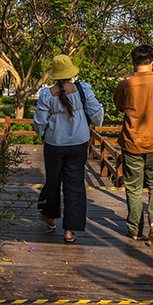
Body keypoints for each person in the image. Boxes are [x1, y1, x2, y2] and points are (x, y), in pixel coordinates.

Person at [32, 54, 105, 243]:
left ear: (55, 74)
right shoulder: (83, 89)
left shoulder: (47, 94)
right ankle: (70, 230)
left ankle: (49, 217)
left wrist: (42, 133)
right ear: (71, 73)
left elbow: (39, 121)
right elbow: (96, 114)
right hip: (79, 143)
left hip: (54, 144)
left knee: (53, 181)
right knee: (75, 184)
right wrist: (93, 122)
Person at [113, 44, 153, 243]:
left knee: (133, 186)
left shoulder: (125, 85)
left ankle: (134, 229)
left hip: (132, 142)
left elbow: (119, 106)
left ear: (133, 62)